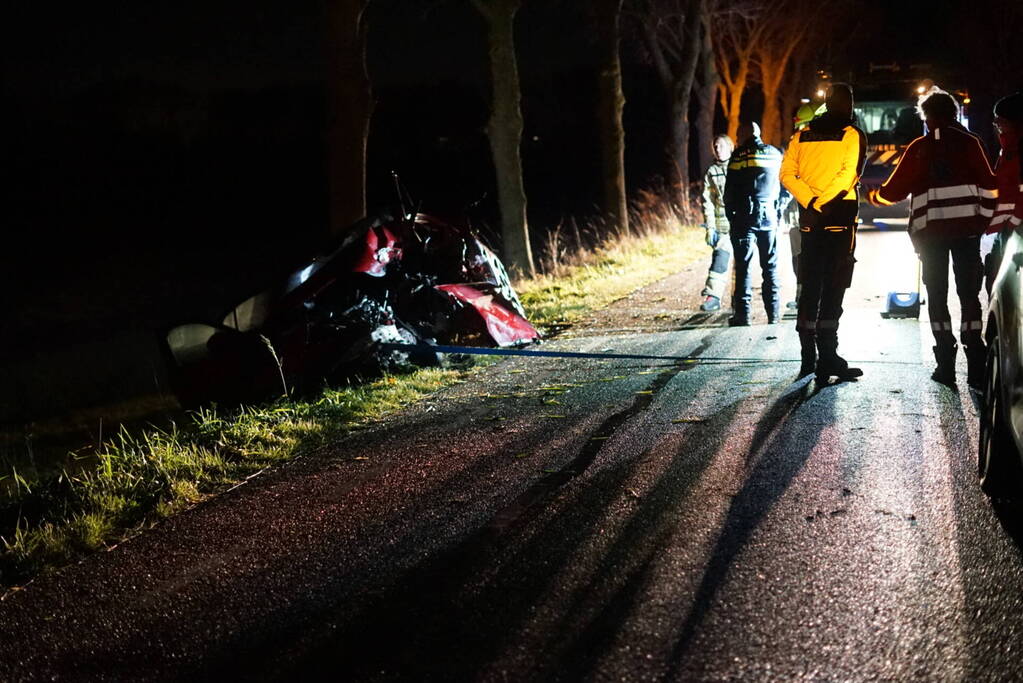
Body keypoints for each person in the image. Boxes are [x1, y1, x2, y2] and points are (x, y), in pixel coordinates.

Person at [867, 88, 997, 388]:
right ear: (953, 114)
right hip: (967, 234)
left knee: (937, 297)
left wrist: (875, 198)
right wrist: (984, 221)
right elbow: (990, 187)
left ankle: (945, 364)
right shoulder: (971, 144)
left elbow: (894, 190)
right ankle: (975, 362)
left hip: (930, 236)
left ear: (928, 117)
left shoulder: (919, 147)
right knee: (969, 297)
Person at [780, 83, 867, 381]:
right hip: (839, 220)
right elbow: (849, 174)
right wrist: (826, 201)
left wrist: (810, 200)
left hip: (810, 222)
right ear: (848, 104)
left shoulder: (802, 135)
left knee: (809, 286)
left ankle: (808, 357)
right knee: (834, 286)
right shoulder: (851, 135)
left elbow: (787, 174)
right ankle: (828, 356)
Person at [723, 120, 784, 326]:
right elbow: (787, 185)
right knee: (770, 266)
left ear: (744, 135)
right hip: (769, 218)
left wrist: (731, 216)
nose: (737, 140)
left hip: (744, 218)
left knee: (743, 267)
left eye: (739, 136)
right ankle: (773, 315)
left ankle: (743, 315)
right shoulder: (775, 154)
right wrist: (779, 207)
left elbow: (729, 190)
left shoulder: (739, 156)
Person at [985, 92, 1023, 295]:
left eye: (1001, 120)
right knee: (995, 279)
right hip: (1008, 229)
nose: (996, 123)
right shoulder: (1007, 149)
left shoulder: (1016, 150)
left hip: (1017, 230)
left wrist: (1015, 222)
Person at [699, 134, 735, 311]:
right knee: (720, 259)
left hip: (740, 224)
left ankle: (739, 300)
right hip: (722, 227)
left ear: (730, 147)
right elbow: (708, 202)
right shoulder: (712, 172)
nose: (718, 149)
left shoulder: (738, 167)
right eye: (716, 146)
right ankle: (713, 296)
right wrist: (710, 228)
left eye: (721, 146)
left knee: (742, 265)